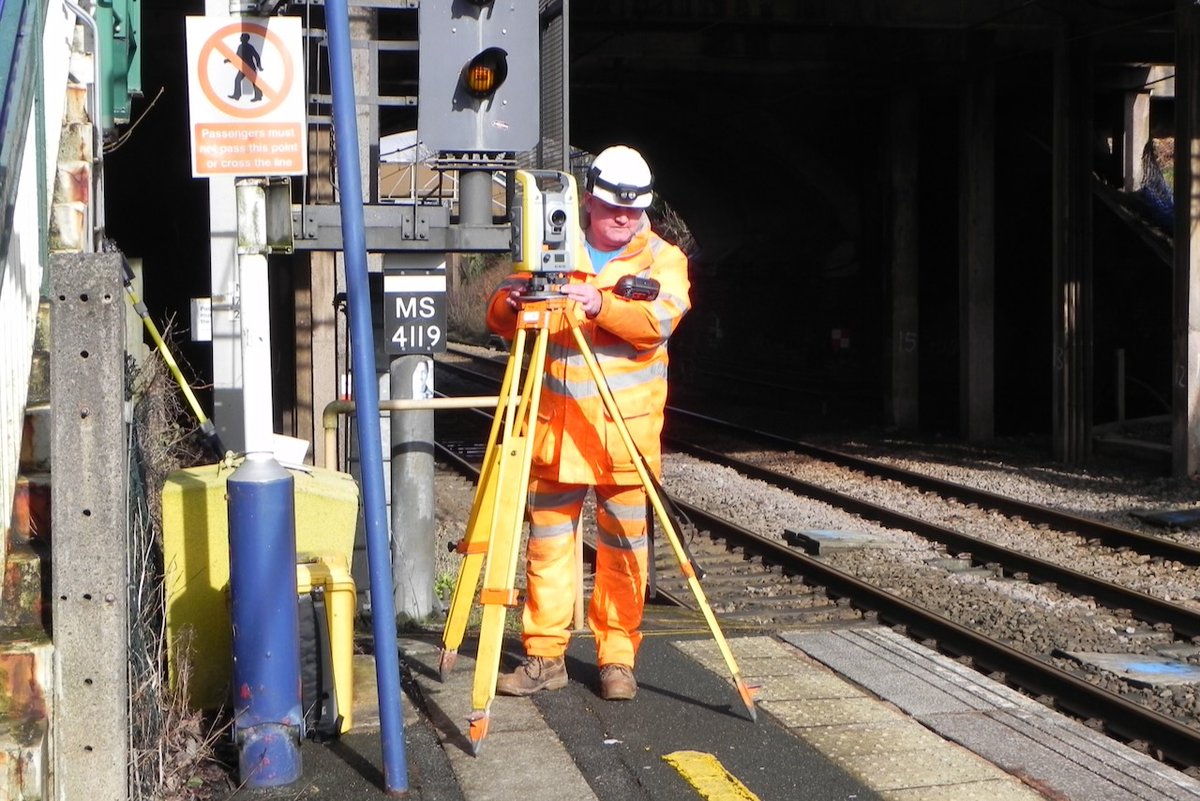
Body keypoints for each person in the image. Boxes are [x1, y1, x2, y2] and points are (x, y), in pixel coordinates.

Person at [485, 145, 691, 701]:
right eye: (611, 208)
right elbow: (501, 317)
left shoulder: (662, 260)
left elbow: (659, 321)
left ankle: (617, 660)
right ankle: (545, 656)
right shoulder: (554, 246)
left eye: (633, 209)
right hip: (561, 432)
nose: (623, 218)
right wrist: (516, 298)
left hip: (628, 438)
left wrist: (599, 305)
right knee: (548, 547)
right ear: (590, 202)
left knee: (625, 553)